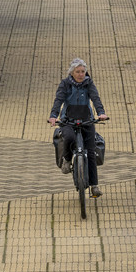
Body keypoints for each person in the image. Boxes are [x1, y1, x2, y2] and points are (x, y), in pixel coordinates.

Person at [49, 59, 108, 196]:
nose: (81, 74)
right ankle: (67, 159)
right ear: (72, 72)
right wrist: (53, 116)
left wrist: (101, 113)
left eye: (83, 72)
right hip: (68, 120)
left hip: (86, 119)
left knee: (91, 152)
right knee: (68, 137)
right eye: (78, 72)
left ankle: (94, 186)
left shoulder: (89, 83)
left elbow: (95, 98)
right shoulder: (65, 84)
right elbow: (58, 100)